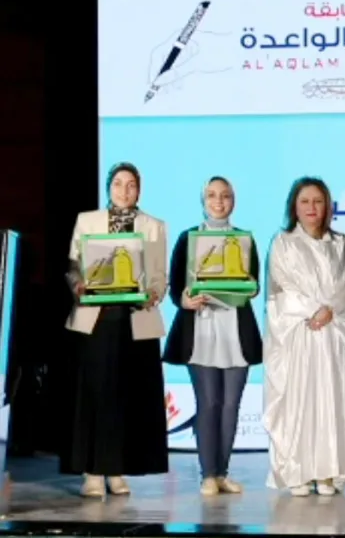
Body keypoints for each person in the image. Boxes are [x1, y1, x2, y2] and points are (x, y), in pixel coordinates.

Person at [62, 162, 170, 498]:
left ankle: (117, 470)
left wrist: (155, 292)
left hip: (135, 321)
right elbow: (73, 266)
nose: (125, 190)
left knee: (128, 398)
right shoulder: (88, 221)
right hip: (96, 320)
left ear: (139, 190)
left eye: (131, 185)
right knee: (95, 396)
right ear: (108, 187)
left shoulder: (153, 226)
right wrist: (78, 285)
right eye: (118, 183)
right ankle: (93, 471)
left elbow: (159, 274)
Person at [263, 177, 345, 497]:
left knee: (332, 403)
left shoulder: (341, 244)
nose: (311, 208)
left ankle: (328, 471)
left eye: (318, 201)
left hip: (333, 335)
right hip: (299, 334)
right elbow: (281, 288)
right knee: (300, 403)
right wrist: (312, 309)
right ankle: (298, 472)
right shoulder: (283, 243)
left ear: (328, 207)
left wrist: (330, 309)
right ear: (294, 207)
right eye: (305, 201)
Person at [163, 177, 263, 496]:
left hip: (235, 329)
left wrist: (250, 287)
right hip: (202, 329)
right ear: (203, 200)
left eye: (225, 195)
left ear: (234, 200)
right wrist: (184, 300)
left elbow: (255, 282)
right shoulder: (188, 238)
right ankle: (207, 473)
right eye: (212, 195)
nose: (219, 201)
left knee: (231, 404)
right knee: (208, 402)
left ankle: (222, 473)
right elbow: (175, 285)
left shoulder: (244, 239)